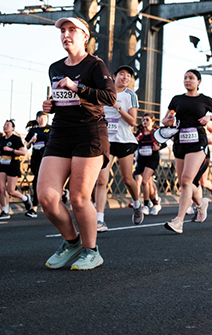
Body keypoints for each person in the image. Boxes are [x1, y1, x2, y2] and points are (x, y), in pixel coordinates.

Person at [38, 17, 117, 270]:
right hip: (61, 132)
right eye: (63, 31)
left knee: (79, 197)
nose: (66, 35)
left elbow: (109, 97)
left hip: (90, 132)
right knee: (47, 198)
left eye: (72, 30)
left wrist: (78, 86)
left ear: (85, 36)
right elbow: (60, 97)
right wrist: (50, 105)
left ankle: (91, 251)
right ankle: (71, 242)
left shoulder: (95, 64)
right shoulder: (55, 67)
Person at [162, 69, 212, 234]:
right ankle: (201, 204)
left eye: (191, 78)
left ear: (198, 82)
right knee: (185, 182)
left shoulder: (205, 100)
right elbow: (165, 118)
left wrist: (209, 118)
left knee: (186, 179)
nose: (187, 80)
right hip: (180, 142)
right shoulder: (177, 100)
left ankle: (179, 220)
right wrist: (168, 121)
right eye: (185, 78)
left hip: (198, 143)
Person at [95, 65, 142, 231]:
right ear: (114, 76)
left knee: (127, 179)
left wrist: (117, 106)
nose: (125, 78)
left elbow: (133, 121)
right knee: (101, 180)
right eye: (122, 74)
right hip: (106, 141)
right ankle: (99, 219)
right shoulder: (103, 92)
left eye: (128, 76)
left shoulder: (130, 95)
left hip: (124, 141)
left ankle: (137, 204)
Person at [0, 119, 33, 219]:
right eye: (5, 125)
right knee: (1, 188)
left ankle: (25, 198)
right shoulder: (1, 139)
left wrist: (11, 150)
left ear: (13, 128)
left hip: (13, 164)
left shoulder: (16, 139)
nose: (5, 127)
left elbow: (23, 152)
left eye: (8, 125)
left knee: (10, 190)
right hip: (2, 164)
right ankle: (5, 210)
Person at [133, 114, 163, 215]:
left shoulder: (155, 133)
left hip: (152, 159)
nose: (144, 122)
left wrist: (158, 147)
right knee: (147, 184)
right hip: (141, 158)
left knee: (144, 181)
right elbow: (133, 143)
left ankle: (145, 205)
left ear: (152, 122)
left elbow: (164, 143)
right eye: (143, 120)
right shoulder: (139, 133)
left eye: (147, 120)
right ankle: (155, 203)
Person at [24, 112, 52, 218]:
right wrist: (31, 141)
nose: (41, 119)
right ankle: (62, 193)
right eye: (39, 117)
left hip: (47, 158)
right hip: (35, 158)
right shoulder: (33, 130)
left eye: (44, 117)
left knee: (39, 181)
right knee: (38, 181)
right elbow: (26, 146)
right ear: (37, 119)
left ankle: (34, 208)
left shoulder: (51, 129)